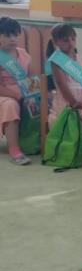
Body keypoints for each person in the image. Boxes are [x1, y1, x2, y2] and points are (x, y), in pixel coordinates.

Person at [48, 23, 82, 137]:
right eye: (65, 40)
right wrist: (74, 103)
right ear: (56, 42)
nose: (70, 43)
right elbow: (62, 84)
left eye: (73, 39)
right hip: (67, 102)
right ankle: (81, 142)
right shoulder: (56, 60)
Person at [0, 17, 33, 164]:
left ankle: (35, 142)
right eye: (7, 35)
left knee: (45, 100)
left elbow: (31, 79)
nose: (12, 39)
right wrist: (16, 95)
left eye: (15, 34)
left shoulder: (24, 54)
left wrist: (35, 95)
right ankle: (14, 149)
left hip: (23, 92)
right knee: (10, 105)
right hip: (4, 94)